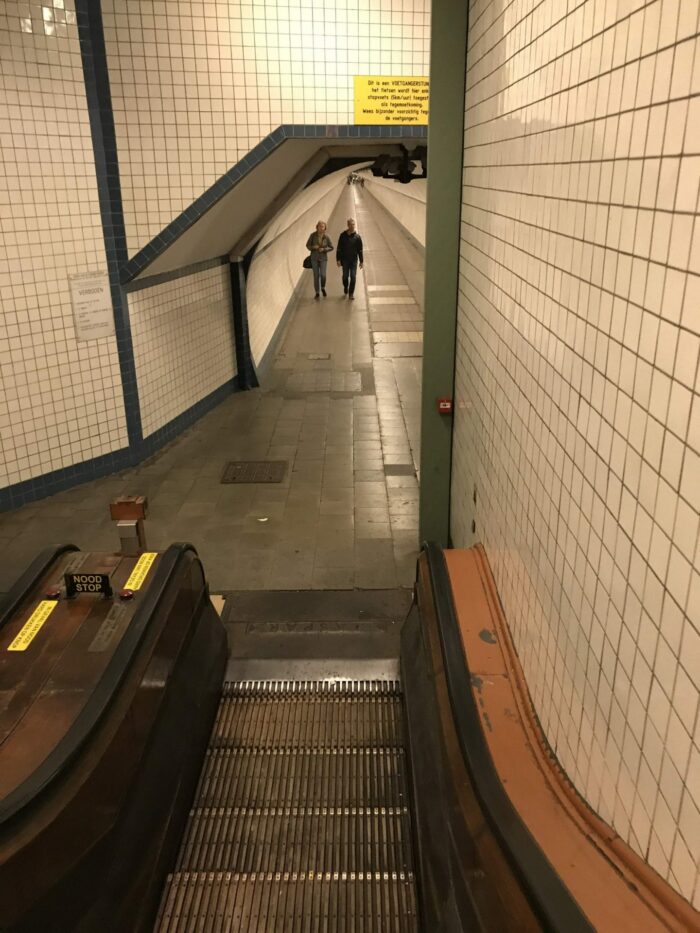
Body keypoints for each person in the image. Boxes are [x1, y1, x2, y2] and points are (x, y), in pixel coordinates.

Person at [336, 217, 364, 300]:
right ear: (347, 225)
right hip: (345, 260)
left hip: (354, 261)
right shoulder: (342, 236)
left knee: (353, 276)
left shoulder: (357, 237)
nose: (352, 226)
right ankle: (345, 286)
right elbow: (339, 248)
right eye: (350, 224)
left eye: (353, 224)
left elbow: (360, 250)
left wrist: (361, 261)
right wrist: (338, 259)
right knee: (345, 276)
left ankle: (351, 293)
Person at [305, 221, 333, 299]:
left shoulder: (326, 237)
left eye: (323, 227)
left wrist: (324, 249)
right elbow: (307, 245)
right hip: (314, 258)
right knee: (316, 276)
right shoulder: (312, 235)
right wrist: (314, 247)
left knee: (323, 275)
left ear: (325, 228)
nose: (321, 228)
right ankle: (317, 292)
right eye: (320, 226)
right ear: (317, 227)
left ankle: (323, 287)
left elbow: (331, 247)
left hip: (323, 258)